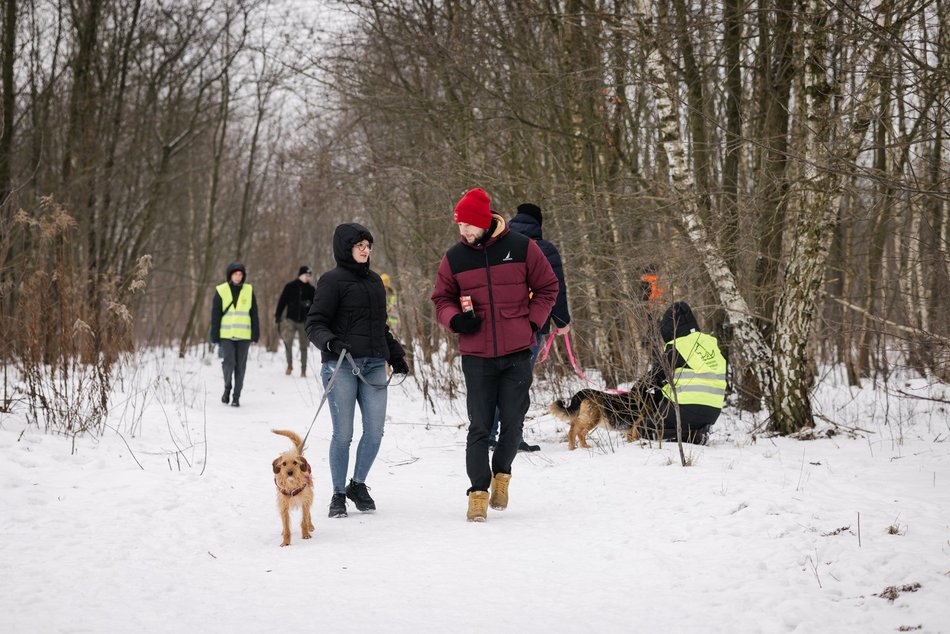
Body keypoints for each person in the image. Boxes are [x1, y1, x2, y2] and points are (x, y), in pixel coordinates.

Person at [431, 188, 558, 522]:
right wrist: (455, 320)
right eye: (459, 227)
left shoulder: (521, 247)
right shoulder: (454, 258)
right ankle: (477, 492)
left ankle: (502, 473)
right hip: (476, 354)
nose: (463, 233)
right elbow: (441, 299)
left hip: (517, 351)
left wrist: (531, 322)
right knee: (480, 427)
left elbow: (548, 287)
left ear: (484, 222)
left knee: (513, 424)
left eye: (467, 226)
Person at [306, 223, 410, 519]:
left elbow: (380, 327)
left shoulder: (376, 282)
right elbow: (314, 324)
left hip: (375, 363)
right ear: (345, 248)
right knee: (344, 433)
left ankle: (357, 484)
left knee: (375, 431)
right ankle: (338, 494)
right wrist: (331, 342)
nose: (366, 250)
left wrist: (395, 354)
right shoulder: (331, 281)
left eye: (368, 245)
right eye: (360, 245)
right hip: (341, 365)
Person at [489, 202, 571, 452]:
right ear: (539, 223)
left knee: (494, 380)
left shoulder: (498, 244)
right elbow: (555, 288)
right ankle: (512, 437)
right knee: (517, 382)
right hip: (530, 326)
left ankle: (488, 434)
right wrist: (563, 321)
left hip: (498, 325)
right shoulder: (544, 249)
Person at [642, 301, 726, 445]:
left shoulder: (677, 345)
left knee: (643, 427)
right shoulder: (710, 343)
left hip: (684, 409)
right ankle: (695, 433)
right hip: (712, 412)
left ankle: (683, 434)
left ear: (669, 328)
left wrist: (634, 392)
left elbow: (655, 377)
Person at [209, 261, 260, 408]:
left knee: (240, 367)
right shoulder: (221, 290)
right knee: (229, 363)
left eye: (240, 274)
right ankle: (227, 388)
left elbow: (254, 314)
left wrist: (256, 333)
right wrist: (214, 334)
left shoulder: (249, 290)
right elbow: (215, 314)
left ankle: (236, 396)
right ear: (230, 275)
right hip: (227, 335)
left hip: (244, 335)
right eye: (235, 274)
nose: (238, 277)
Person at [275, 266, 315, 377]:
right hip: (290, 320)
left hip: (304, 321)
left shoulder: (311, 290)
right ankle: (289, 365)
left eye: (310, 276)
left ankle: (303, 369)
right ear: (301, 275)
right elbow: (282, 301)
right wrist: (278, 315)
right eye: (307, 275)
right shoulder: (290, 286)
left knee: (304, 346)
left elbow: (316, 305)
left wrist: (309, 305)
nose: (308, 278)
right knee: (288, 343)